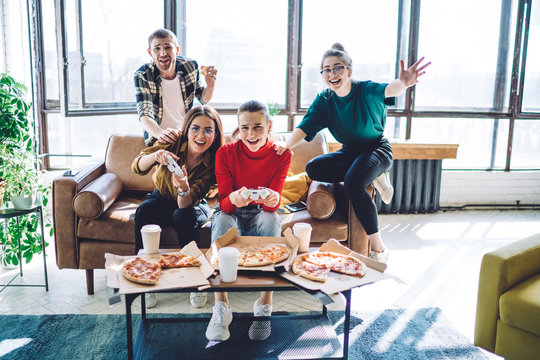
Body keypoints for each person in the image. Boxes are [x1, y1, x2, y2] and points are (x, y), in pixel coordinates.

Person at [277, 43, 430, 263]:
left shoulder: (365, 90)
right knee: (314, 168)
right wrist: (287, 145)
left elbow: (390, 89)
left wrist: (404, 83)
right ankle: (372, 173)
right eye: (327, 70)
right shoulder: (325, 100)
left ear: (349, 70)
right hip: (350, 152)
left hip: (376, 148)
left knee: (353, 182)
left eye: (337, 68)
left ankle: (378, 248)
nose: (332, 74)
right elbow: (306, 125)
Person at [205, 100, 292, 342]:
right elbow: (223, 203)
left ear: (269, 126)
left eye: (257, 127)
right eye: (244, 128)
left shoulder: (282, 155)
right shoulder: (226, 153)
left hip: (260, 214)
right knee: (221, 221)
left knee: (271, 219)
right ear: (238, 127)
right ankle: (221, 306)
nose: (251, 134)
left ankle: (265, 304)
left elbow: (272, 206)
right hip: (232, 213)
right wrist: (234, 197)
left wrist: (272, 198)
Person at [132, 105, 225, 309]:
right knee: (145, 211)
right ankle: (145, 277)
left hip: (192, 204)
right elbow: (137, 166)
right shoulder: (172, 142)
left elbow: (186, 203)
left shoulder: (214, 162)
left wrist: (183, 187)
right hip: (161, 198)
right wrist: (156, 156)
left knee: (182, 216)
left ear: (215, 134)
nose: (201, 135)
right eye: (195, 128)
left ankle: (195, 282)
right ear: (186, 129)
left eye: (208, 130)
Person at [134, 28, 218, 146]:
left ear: (177, 50)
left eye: (168, 47)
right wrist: (161, 134)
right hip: (159, 138)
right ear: (150, 52)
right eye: (157, 48)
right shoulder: (143, 75)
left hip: (186, 135)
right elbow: (145, 114)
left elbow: (203, 99)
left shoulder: (190, 66)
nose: (163, 53)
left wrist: (210, 86)